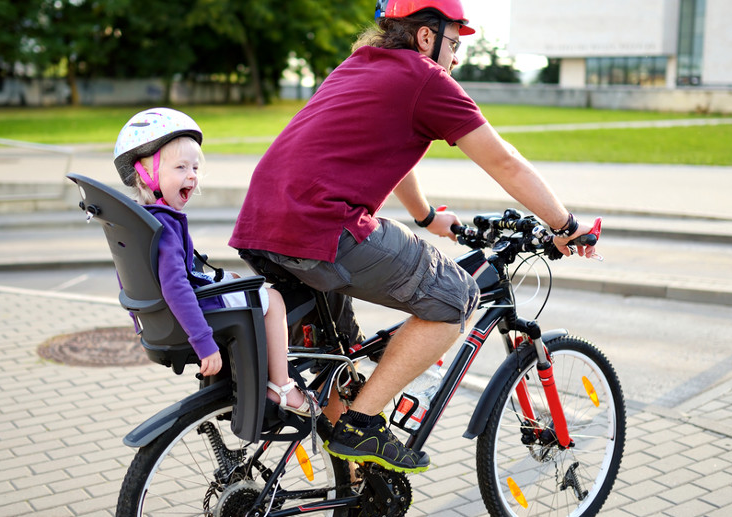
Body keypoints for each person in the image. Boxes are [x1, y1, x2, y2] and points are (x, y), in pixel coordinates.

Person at [230, 0, 598, 474]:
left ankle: (359, 485)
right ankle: (361, 424)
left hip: (262, 228)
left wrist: (425, 217)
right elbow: (502, 160)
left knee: (341, 362)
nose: (457, 55)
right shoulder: (426, 78)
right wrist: (567, 226)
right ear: (427, 36)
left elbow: (388, 148)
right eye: (455, 41)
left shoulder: (359, 65)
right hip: (323, 228)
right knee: (455, 297)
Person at [113, 107, 318, 416]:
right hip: (195, 311)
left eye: (195, 167)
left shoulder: (140, 220)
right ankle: (282, 386)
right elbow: (176, 285)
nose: (192, 175)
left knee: (239, 282)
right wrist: (204, 342)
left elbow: (128, 277)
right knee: (274, 300)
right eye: (181, 167)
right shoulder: (165, 227)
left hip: (164, 317)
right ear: (145, 174)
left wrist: (139, 321)